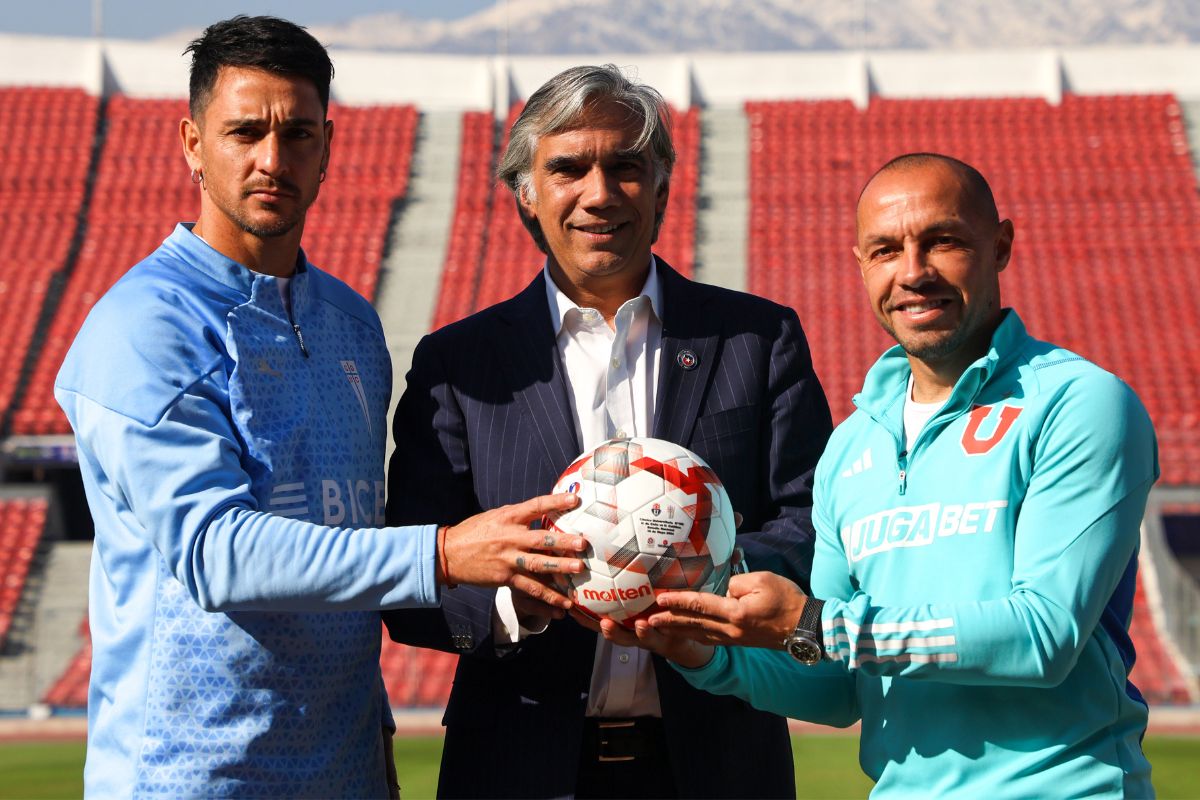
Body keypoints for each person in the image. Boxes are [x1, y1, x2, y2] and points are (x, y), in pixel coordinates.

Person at [54, 16, 584, 798]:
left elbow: (344, 545)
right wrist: (437, 555)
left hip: (345, 775)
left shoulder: (351, 323)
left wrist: (375, 742)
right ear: (193, 145)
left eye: (298, 134)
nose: (273, 159)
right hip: (191, 775)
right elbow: (214, 553)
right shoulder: (145, 326)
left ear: (328, 147)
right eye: (244, 132)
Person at [622, 153, 1160, 798]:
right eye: (885, 251)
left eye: (944, 242)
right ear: (862, 266)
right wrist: (706, 655)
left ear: (1002, 246)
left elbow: (1044, 637)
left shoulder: (1078, 403)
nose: (913, 272)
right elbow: (834, 689)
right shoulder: (852, 447)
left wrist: (820, 624)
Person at [382, 64, 832, 799]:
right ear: (526, 192)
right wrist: (511, 600)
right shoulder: (459, 365)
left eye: (626, 166)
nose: (600, 192)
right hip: (518, 766)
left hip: (718, 763)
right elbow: (405, 577)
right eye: (568, 168)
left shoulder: (756, 336)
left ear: (662, 185)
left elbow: (814, 521)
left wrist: (692, 564)